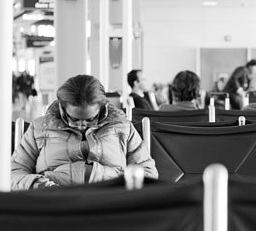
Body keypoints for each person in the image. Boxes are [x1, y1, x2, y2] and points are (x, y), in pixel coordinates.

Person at [11, 74, 156, 190]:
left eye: (90, 119)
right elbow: (14, 172)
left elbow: (147, 172)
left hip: (109, 203)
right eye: (74, 119)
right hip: (54, 204)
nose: (81, 125)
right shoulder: (39, 128)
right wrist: (38, 185)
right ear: (62, 108)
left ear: (102, 109)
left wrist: (122, 191)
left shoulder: (123, 128)